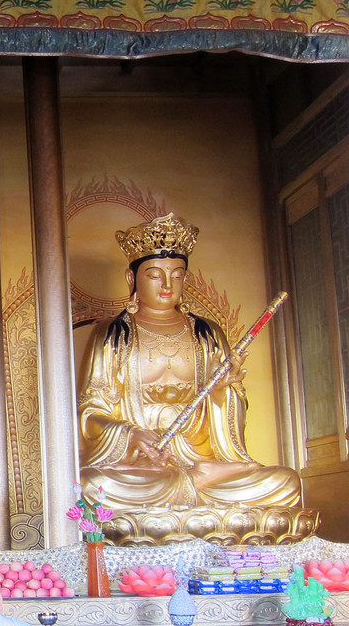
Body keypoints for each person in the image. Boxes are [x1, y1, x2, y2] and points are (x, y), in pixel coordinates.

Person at [78, 213, 301, 512]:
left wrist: (223, 392)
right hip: (142, 468)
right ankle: (191, 486)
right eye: (155, 275)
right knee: (93, 487)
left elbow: (229, 411)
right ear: (132, 278)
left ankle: (193, 483)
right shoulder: (113, 334)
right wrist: (130, 434)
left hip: (204, 461)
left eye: (178, 274)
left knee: (285, 482)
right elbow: (91, 411)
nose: (167, 284)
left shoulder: (207, 333)